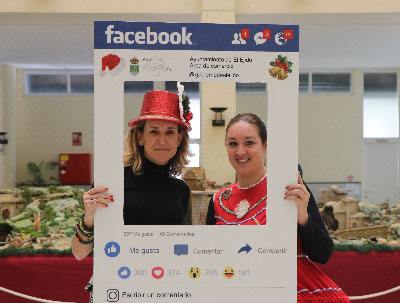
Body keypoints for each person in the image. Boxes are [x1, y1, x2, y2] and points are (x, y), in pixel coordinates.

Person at [206, 113, 350, 303]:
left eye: (249, 143)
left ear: (265, 145)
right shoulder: (218, 201)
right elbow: (211, 261)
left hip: (296, 293)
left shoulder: (290, 187)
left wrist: (303, 218)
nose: (240, 151)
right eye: (233, 144)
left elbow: (323, 254)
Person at [71, 83, 193, 301]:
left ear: (179, 139)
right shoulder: (112, 183)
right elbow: (79, 253)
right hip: (117, 289)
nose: (162, 140)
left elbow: (180, 249)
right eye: (154, 131)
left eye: (170, 132)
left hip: (164, 290)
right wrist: (89, 219)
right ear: (139, 137)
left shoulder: (181, 190)